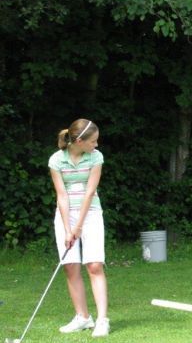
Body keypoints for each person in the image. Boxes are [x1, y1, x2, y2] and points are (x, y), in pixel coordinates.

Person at [48, 119, 110, 337]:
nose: (96, 144)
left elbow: (90, 192)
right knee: (70, 266)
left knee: (94, 265)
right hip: (65, 216)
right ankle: (83, 317)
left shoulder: (95, 157)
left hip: (91, 214)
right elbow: (61, 195)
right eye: (93, 141)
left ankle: (102, 320)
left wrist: (79, 225)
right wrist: (68, 228)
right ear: (80, 141)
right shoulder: (56, 160)